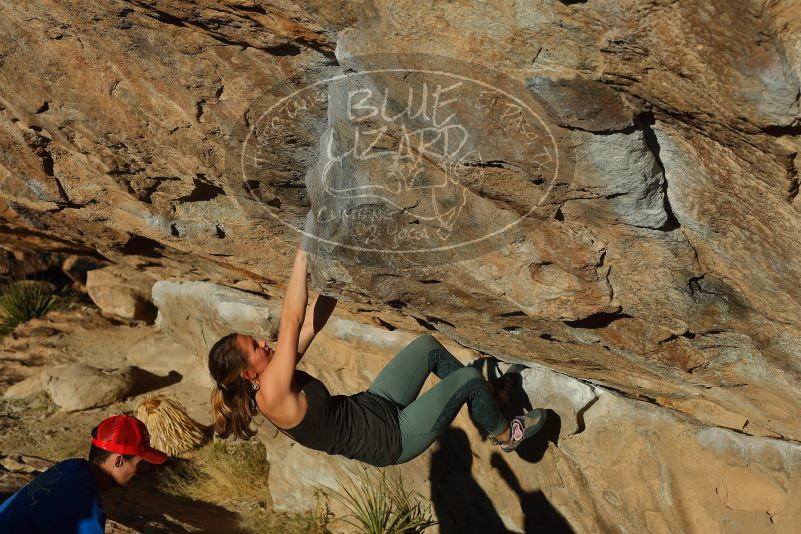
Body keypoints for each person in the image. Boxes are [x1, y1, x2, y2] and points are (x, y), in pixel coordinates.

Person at [208, 242, 546, 467]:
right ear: (247, 374)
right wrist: (303, 250)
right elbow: (292, 318)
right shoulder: (272, 395)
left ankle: (485, 403)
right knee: (470, 379)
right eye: (255, 348)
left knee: (427, 348)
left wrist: (336, 280)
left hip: (375, 404)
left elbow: (311, 322)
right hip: (393, 438)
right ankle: (505, 434)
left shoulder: (271, 376)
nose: (265, 344)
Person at [0, 414, 167, 533]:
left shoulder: (70, 466)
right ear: (118, 461)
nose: (140, 471)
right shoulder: (87, 511)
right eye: (140, 464)